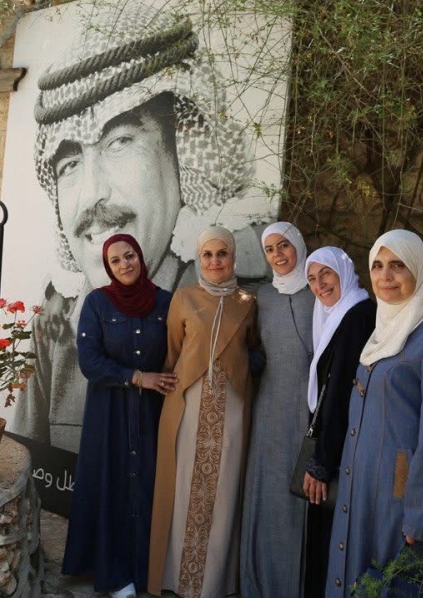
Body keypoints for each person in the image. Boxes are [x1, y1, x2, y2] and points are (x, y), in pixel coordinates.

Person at [13, 4, 272, 451]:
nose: (91, 195)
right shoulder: (56, 318)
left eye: (119, 142)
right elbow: (29, 465)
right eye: (69, 163)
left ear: (182, 152)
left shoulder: (233, 295)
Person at [325, 229, 423, 597]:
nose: (385, 276)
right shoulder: (383, 331)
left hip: (399, 501)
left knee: (387, 583)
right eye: (377, 265)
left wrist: (421, 516)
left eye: (398, 265)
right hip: (361, 490)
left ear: (418, 269)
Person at [61, 234, 177, 598]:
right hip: (109, 412)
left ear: (140, 257)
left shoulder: (165, 302)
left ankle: (147, 572)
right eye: (116, 260)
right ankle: (114, 575)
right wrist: (137, 377)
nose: (125, 264)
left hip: (153, 412)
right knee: (112, 487)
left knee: (147, 487)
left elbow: (179, 350)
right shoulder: (97, 303)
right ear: (108, 267)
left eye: (129, 256)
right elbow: (89, 361)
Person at [148, 226, 260, 598]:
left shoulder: (248, 302)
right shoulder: (183, 297)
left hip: (232, 408)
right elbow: (172, 352)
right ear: (200, 258)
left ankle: (213, 583)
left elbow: (252, 349)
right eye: (208, 255)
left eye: (222, 253)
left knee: (223, 491)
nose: (215, 262)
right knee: (182, 487)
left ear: (233, 257)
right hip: (187, 405)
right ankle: (174, 578)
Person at [240, 222, 315, 597]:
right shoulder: (263, 297)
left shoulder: (319, 293)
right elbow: (254, 350)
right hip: (269, 406)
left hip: (307, 408)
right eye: (269, 249)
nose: (277, 255)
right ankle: (258, 579)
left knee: (296, 494)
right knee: (267, 491)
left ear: (298, 245)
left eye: (283, 245)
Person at [302, 247, 376, 598]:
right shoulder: (334, 314)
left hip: (343, 447)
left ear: (343, 272)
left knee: (333, 535)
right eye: (312, 279)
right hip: (335, 440)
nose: (320, 285)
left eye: (326, 274)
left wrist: (322, 463)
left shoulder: (357, 315)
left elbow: (342, 390)